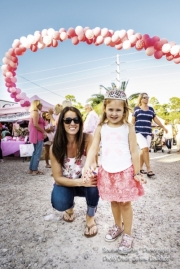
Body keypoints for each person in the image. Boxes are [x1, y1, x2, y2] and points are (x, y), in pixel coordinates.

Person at [82, 88, 146, 254]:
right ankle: (117, 226)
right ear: (105, 109)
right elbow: (94, 147)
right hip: (108, 171)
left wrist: (137, 172)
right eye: (111, 109)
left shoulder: (128, 127)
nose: (114, 113)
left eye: (118, 110)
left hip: (125, 171)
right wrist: (87, 165)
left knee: (125, 203)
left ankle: (128, 234)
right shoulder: (101, 127)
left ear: (124, 110)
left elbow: (134, 150)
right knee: (114, 201)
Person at [50, 106, 99, 237]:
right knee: (60, 203)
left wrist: (91, 170)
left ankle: (90, 216)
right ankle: (69, 206)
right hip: (67, 183)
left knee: (94, 181)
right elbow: (58, 178)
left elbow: (93, 161)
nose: (72, 123)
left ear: (80, 122)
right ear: (62, 123)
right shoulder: (55, 147)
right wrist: (81, 182)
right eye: (68, 120)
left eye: (76, 120)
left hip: (84, 181)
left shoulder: (88, 138)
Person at [131, 93, 168, 177]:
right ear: (141, 99)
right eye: (144, 97)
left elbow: (156, 120)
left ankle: (140, 168)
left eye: (147, 97)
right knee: (146, 149)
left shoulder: (151, 109)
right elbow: (132, 121)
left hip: (148, 132)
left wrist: (164, 127)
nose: (146, 99)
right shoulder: (136, 109)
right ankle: (149, 169)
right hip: (138, 132)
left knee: (144, 150)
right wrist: (128, 131)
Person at [28, 100, 47, 175]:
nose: (42, 106)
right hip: (38, 135)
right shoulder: (35, 113)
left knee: (35, 152)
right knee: (38, 152)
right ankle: (35, 169)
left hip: (36, 134)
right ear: (37, 105)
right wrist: (44, 131)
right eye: (40, 105)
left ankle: (31, 169)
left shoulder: (34, 113)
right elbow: (35, 124)